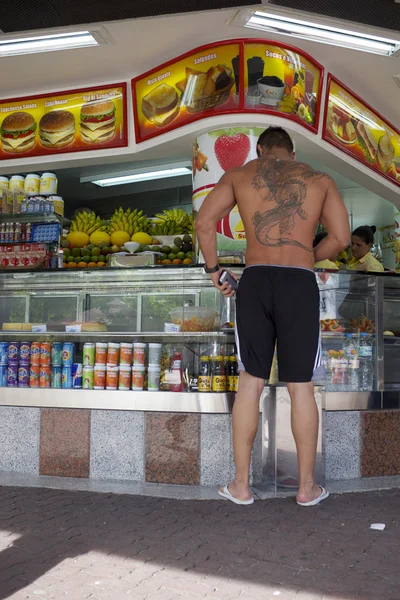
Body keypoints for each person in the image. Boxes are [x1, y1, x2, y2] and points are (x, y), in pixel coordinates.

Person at [196, 126, 350, 507]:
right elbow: (342, 238)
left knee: (250, 381)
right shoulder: (319, 178)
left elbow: (204, 222)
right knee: (301, 385)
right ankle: (306, 488)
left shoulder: (239, 175)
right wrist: (307, 256)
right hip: (299, 284)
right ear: (292, 153)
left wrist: (214, 270)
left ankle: (241, 486)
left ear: (261, 149)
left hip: (257, 281)